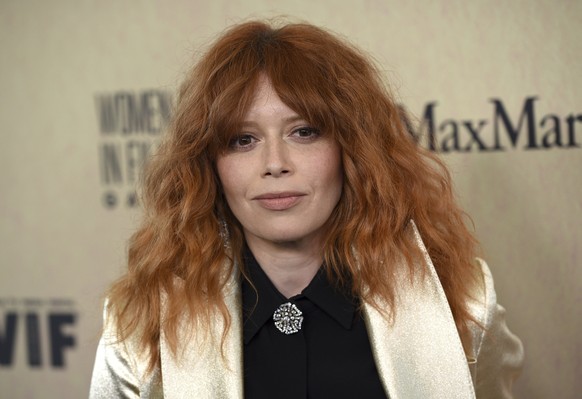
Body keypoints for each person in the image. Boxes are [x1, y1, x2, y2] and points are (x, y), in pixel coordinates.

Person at [89, 20, 524, 398]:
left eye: (304, 131)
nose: (275, 163)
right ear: (208, 164)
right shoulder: (141, 323)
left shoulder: (463, 301)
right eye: (243, 140)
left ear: (351, 150)